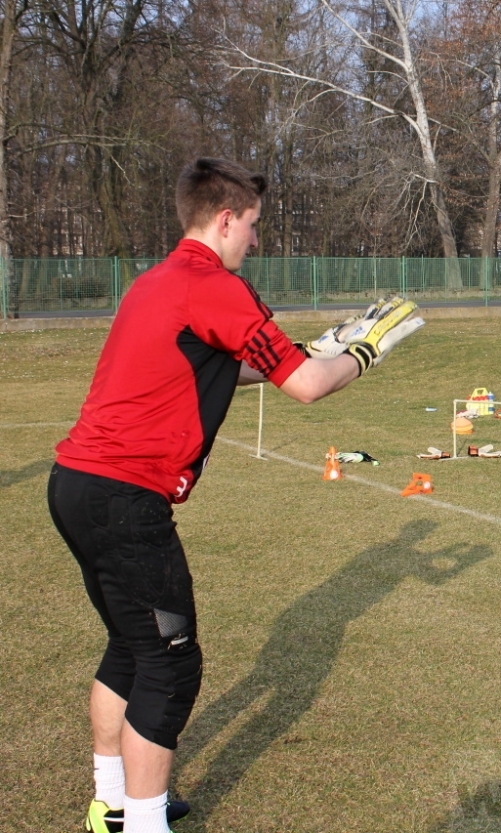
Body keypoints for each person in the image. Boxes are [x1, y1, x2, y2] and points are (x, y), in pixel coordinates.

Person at [47, 158, 424, 833]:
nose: (256, 239)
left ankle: (111, 804)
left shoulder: (156, 282)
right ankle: (142, 821)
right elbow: (306, 385)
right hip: (124, 495)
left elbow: (220, 364)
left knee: (130, 645)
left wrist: (316, 346)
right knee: (170, 663)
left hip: (74, 484)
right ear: (225, 219)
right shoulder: (214, 284)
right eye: (252, 226)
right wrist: (363, 351)